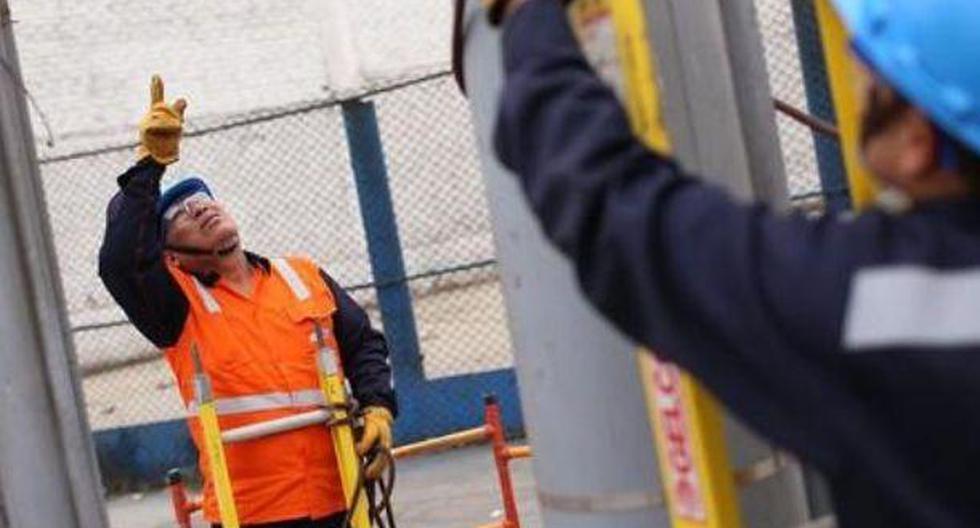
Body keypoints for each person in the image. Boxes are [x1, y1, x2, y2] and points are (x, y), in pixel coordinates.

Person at [483, 0, 980, 526]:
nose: (858, 83)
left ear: (917, 144)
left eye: (876, 80)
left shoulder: (880, 299)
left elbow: (619, 213)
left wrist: (531, 21)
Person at [99, 76, 397, 528]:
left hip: (342, 496)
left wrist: (377, 405)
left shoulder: (302, 274)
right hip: (253, 514)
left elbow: (363, 345)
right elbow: (121, 263)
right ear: (171, 258)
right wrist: (148, 167)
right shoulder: (177, 308)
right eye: (178, 214)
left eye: (200, 198)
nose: (197, 208)